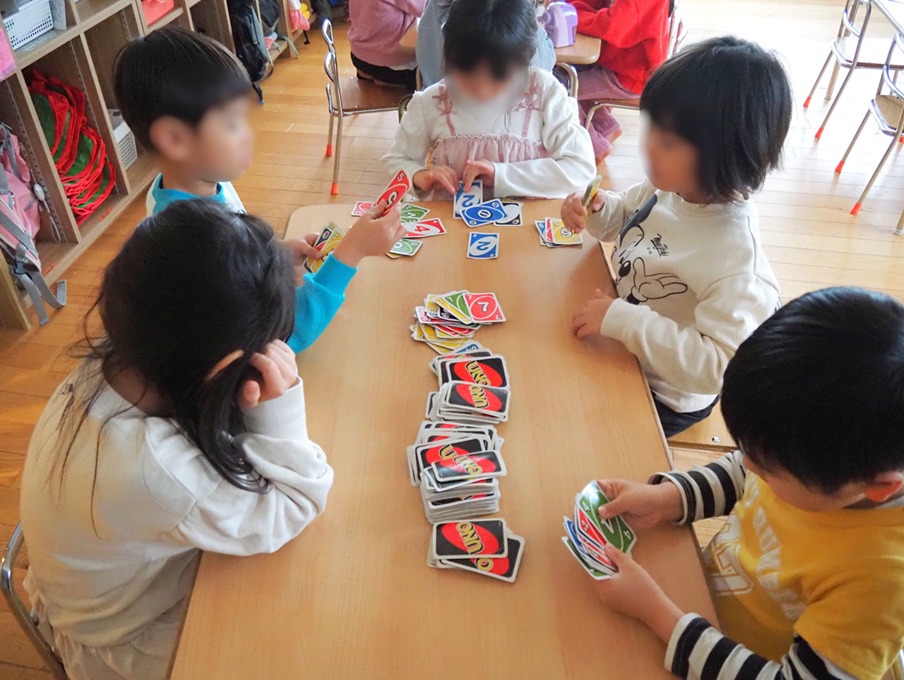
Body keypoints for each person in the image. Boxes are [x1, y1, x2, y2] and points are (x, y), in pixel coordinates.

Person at [20, 200, 335, 680]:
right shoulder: (155, 468)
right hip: (122, 637)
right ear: (225, 366)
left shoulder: (120, 360)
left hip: (100, 583)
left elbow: (195, 291)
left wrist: (258, 277)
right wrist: (280, 405)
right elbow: (294, 506)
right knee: (292, 634)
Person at [586, 287, 904, 680]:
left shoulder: (882, 583)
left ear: (878, 487)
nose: (749, 464)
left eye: (768, 471)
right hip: (704, 606)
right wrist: (669, 497)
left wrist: (657, 614)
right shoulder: (820, 464)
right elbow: (743, 473)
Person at [113, 28, 406, 354]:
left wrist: (271, 255)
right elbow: (285, 334)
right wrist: (349, 254)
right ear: (174, 140)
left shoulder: (186, 192)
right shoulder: (199, 244)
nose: (249, 132)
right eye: (232, 123)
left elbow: (231, 268)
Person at [564, 37, 790, 437]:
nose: (648, 146)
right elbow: (624, 217)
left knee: (573, 429)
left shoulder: (738, 266)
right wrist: (597, 210)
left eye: (667, 142)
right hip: (617, 331)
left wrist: (626, 321)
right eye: (650, 127)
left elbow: (717, 369)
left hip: (663, 392)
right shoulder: (670, 188)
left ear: (725, 157)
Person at [384, 0, 596, 201]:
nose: (482, 90)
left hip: (530, 222)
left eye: (499, 77)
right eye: (467, 75)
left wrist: (501, 175)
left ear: (525, 61)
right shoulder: (433, 102)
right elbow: (396, 160)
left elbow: (581, 169)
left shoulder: (544, 93)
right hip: (454, 223)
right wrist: (420, 176)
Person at [570, 0, 670, 159]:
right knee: (574, 70)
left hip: (632, 76)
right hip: (627, 66)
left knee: (565, 89)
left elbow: (612, 27)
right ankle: (606, 127)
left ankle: (595, 149)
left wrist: (573, 15)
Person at [416, 0, 556, 89]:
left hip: (436, 99)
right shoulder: (515, 10)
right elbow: (541, 64)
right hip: (505, 113)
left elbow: (425, 53)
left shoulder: (437, 4)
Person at [348, 0, 425, 90]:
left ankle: (376, 78)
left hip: (358, 57)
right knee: (431, 76)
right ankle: (390, 83)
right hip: (389, 64)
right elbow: (424, 7)